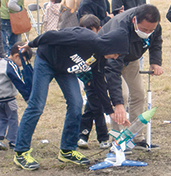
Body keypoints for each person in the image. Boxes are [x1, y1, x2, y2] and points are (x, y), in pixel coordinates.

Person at [13, 26, 129, 171]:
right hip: (46, 60)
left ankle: (67, 150)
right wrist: (31, 44)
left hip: (64, 70)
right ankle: (21, 152)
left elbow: (99, 84)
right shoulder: (84, 38)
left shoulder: (100, 57)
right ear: (110, 45)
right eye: (117, 53)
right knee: (37, 105)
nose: (116, 57)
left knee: (76, 103)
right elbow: (51, 35)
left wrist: (110, 111)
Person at [98, 4, 163, 149]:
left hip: (131, 58)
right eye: (144, 29)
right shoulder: (119, 30)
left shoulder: (154, 25)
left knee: (139, 94)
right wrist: (118, 104)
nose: (148, 32)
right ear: (134, 20)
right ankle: (117, 138)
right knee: (122, 95)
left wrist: (155, 62)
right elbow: (112, 70)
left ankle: (135, 137)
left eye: (151, 30)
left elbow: (156, 41)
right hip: (110, 57)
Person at [77, 14, 110, 149]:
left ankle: (82, 135)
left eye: (91, 30)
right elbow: (80, 66)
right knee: (96, 109)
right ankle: (103, 138)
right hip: (90, 82)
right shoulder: (80, 46)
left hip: (101, 82)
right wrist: (88, 80)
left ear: (98, 29)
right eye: (85, 30)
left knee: (92, 108)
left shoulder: (100, 44)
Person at [0, 41, 33, 151]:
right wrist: (28, 98)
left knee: (2, 118)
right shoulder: (11, 66)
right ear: (16, 56)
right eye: (23, 61)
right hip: (9, 99)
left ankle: (0, 136)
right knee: (13, 118)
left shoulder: (1, 62)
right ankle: (13, 140)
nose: (23, 64)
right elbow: (18, 82)